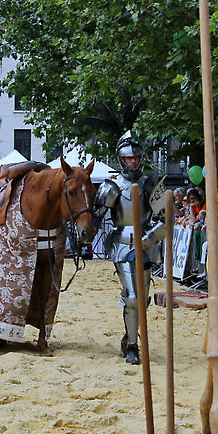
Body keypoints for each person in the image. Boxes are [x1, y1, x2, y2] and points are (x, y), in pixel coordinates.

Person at [94, 130, 164, 364]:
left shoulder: (151, 184)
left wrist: (149, 240)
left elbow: (167, 219)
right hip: (122, 245)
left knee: (141, 300)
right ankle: (132, 346)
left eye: (135, 158)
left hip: (146, 243)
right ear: (121, 159)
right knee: (133, 297)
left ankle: (128, 337)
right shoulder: (112, 186)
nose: (132, 162)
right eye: (128, 158)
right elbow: (95, 218)